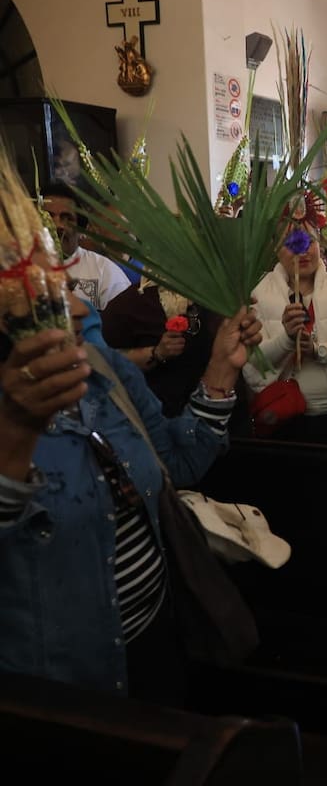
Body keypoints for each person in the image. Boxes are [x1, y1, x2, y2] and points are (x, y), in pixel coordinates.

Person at [0, 246, 262, 701]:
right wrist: (16, 434)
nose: (81, 310)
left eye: (69, 289)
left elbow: (176, 464)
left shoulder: (105, 372)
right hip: (59, 688)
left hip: (156, 642)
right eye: (49, 298)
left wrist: (222, 366)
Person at [243, 222, 327, 444]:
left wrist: (318, 351)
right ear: (275, 248)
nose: (302, 251)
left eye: (309, 241)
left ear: (319, 242)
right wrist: (286, 340)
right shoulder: (258, 295)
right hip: (280, 414)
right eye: (290, 243)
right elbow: (252, 360)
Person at [101, 282, 221, 417]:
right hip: (155, 416)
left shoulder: (219, 299)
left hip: (214, 410)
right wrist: (157, 353)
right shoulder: (132, 302)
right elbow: (104, 361)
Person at [42, 182, 131, 310]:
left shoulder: (105, 272)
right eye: (48, 218)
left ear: (80, 229)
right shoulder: (18, 268)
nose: (58, 225)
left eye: (67, 218)